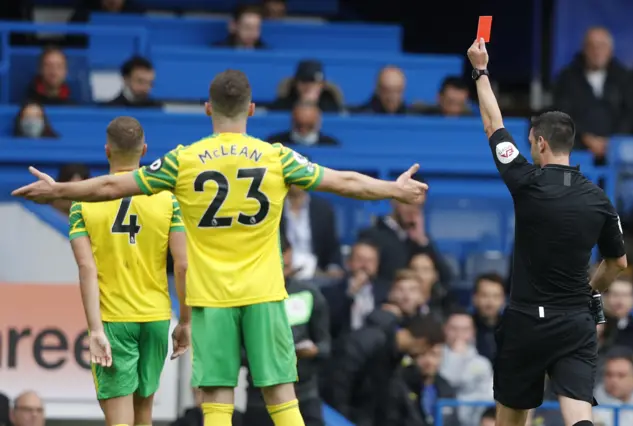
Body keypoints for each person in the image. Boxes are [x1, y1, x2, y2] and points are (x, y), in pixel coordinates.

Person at [12, 69, 427, 426]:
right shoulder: (276, 157)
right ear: (250, 110)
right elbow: (345, 182)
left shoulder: (183, 160)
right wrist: (394, 188)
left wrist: (59, 189)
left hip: (211, 298)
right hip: (265, 293)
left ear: (207, 108)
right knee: (283, 397)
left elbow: (109, 185)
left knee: (217, 401)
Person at [467, 38, 627, 426]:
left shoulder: (526, 181)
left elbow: (493, 123)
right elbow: (618, 263)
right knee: (578, 414)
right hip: (575, 322)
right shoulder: (599, 199)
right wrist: (590, 290)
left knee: (512, 416)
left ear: (539, 143)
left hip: (526, 322)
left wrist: (480, 70)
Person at [68, 117, 190, 426]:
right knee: (143, 415)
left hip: (113, 319)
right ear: (144, 150)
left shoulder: (83, 201)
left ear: (107, 150)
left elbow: (86, 268)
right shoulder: (168, 199)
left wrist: (95, 329)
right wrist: (186, 320)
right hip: (155, 317)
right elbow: (184, 263)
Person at [244, 236, 331, 426]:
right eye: (281, 266)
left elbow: (326, 346)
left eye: (288, 266)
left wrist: (313, 350)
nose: (285, 272)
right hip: (260, 399)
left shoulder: (309, 294)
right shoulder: (245, 297)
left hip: (305, 395)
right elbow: (235, 353)